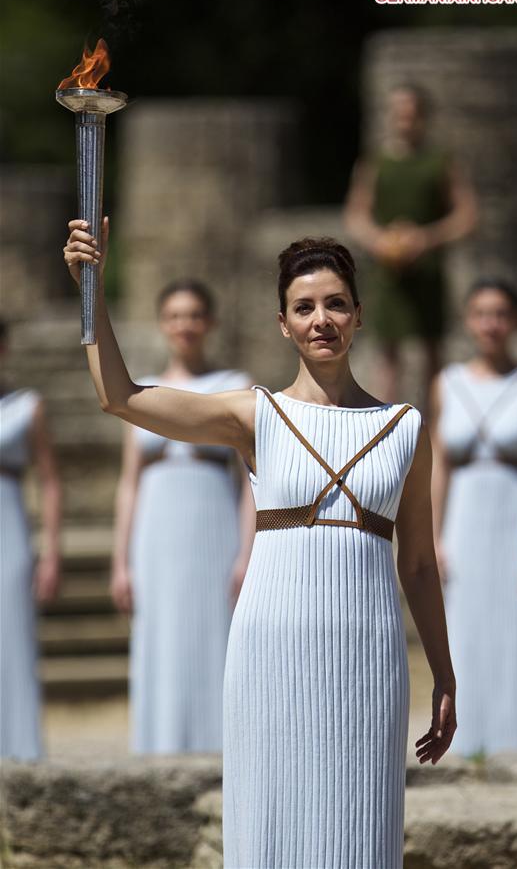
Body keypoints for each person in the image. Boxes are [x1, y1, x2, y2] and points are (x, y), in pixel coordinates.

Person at [63, 217, 456, 867]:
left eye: (335, 304)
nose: (320, 319)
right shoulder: (257, 415)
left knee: (360, 821)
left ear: (359, 315)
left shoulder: (405, 428)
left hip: (368, 647)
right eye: (303, 307)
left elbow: (417, 564)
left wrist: (443, 673)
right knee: (272, 818)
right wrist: (93, 289)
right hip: (273, 643)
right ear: (283, 323)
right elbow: (121, 396)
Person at [110, 279, 255, 754]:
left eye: (194, 315)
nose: (184, 325)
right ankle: (159, 745)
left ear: (209, 323)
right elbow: (129, 483)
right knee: (160, 636)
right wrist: (120, 561)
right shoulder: (143, 392)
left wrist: (246, 552)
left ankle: (218, 747)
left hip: (212, 527)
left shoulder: (232, 388)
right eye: (175, 316)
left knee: (213, 635)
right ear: (162, 324)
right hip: (156, 532)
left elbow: (251, 483)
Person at [430, 279, 517, 756]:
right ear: (467, 320)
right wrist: (434, 535)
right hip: (467, 519)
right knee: (467, 625)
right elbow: (439, 464)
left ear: (516, 320)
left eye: (500, 313)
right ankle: (466, 735)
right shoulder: (448, 382)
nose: (491, 324)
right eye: (481, 313)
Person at [344, 83, 478, 404]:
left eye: (411, 114)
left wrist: (426, 238)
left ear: (422, 117)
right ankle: (385, 426)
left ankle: (433, 432)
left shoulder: (440, 162)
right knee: (388, 353)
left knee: (432, 351)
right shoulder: (375, 163)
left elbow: (467, 215)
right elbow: (356, 216)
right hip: (390, 271)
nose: (405, 120)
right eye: (399, 114)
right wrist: (380, 240)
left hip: (427, 268)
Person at [0, 317, 61, 760]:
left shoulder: (26, 405)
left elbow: (50, 481)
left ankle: (19, 751)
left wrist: (51, 553)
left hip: (10, 531)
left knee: (12, 639)